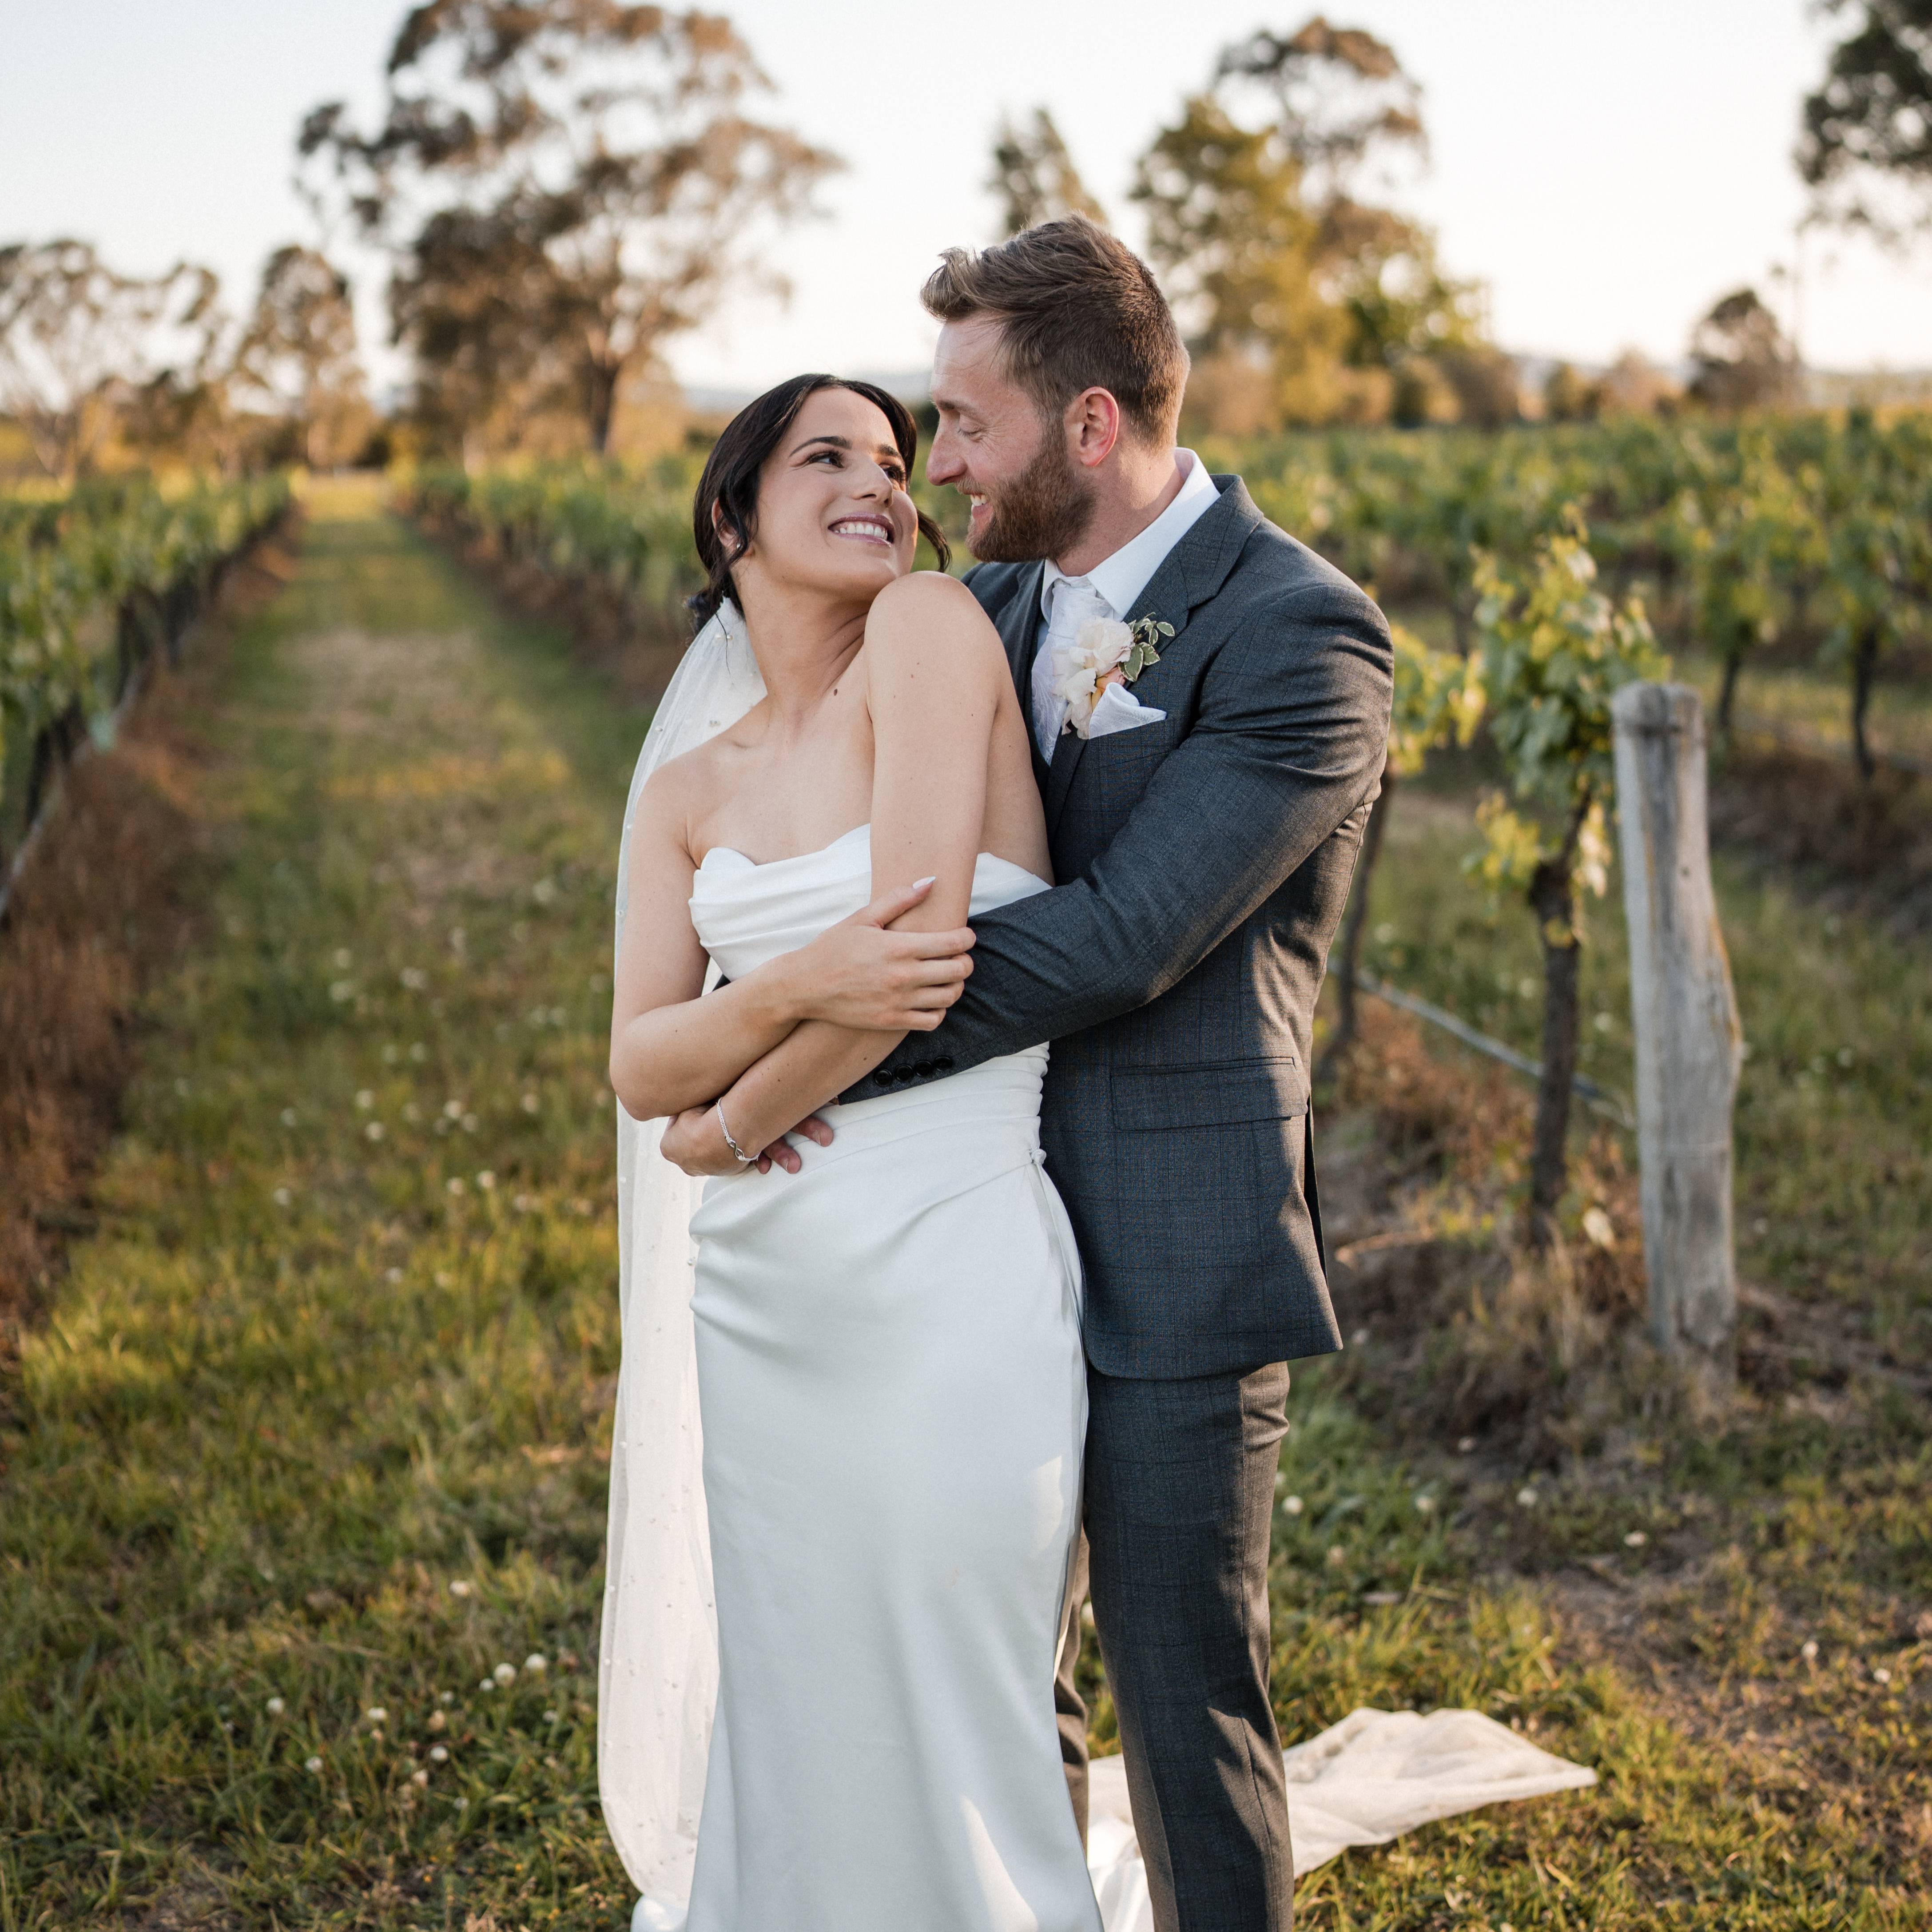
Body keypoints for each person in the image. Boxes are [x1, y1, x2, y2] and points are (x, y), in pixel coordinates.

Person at [703, 218, 1395, 1931]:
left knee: (1185, 1698)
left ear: (1091, 426)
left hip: (1172, 1242)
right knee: (1004, 1679)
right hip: (966, 1249)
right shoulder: (980, 603)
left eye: (964, 424)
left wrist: (809, 1070)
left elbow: (1120, 940)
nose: (937, 465)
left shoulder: (1305, 636)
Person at [602, 372, 1104, 1931]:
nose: (884, 483)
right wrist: (795, 995)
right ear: (730, 512)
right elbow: (635, 1060)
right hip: (763, 1296)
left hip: (946, 1258)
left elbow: (920, 962)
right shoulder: (687, 791)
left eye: (895, 460)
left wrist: (734, 1116)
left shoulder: (929, 633)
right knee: (804, 1681)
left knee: (961, 1683)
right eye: (829, 457)